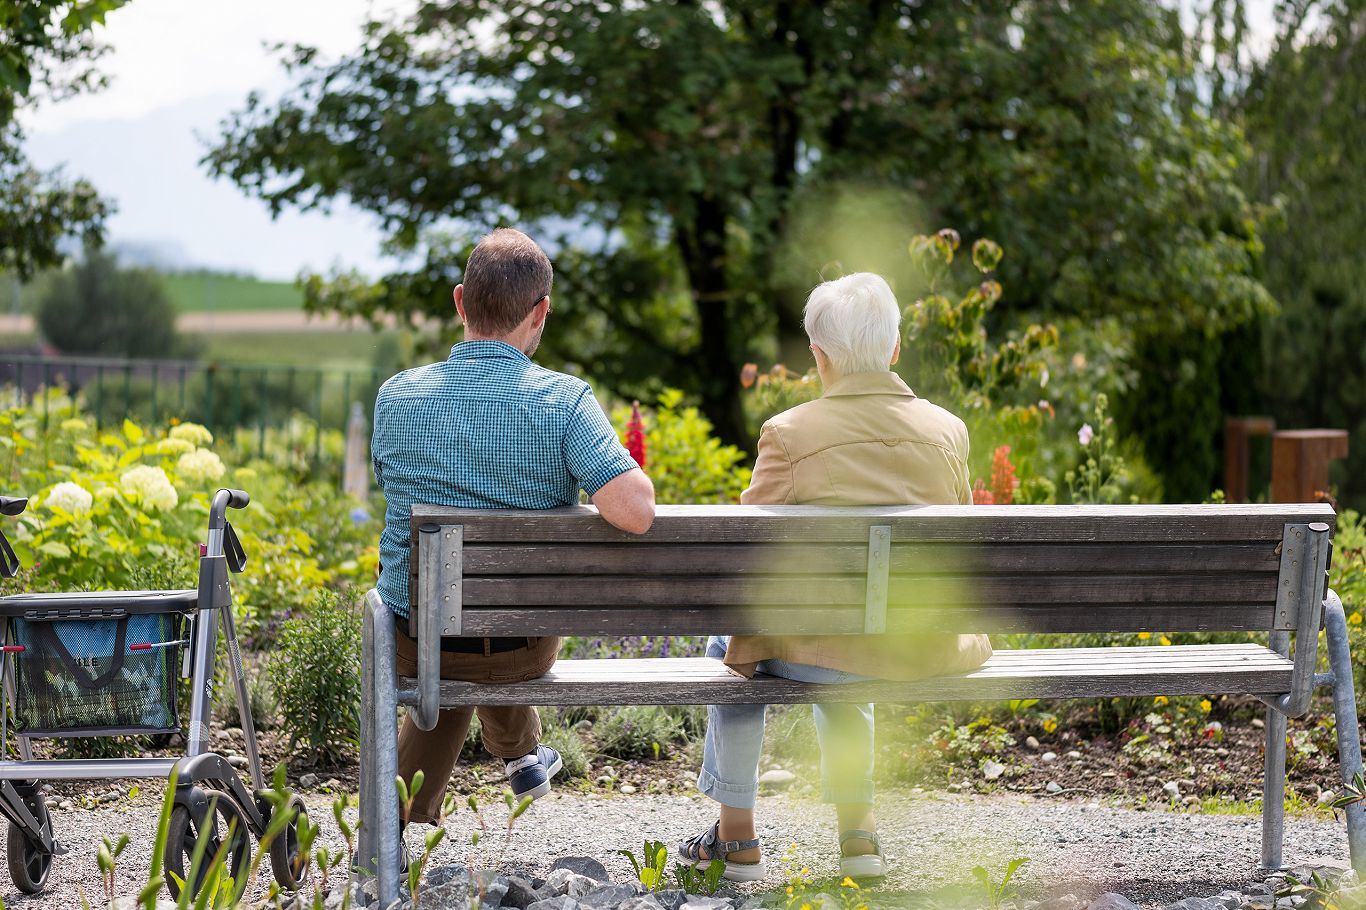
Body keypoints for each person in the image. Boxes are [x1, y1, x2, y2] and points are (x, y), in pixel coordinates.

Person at [681, 272, 992, 881]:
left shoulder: (789, 435)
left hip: (824, 648)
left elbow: (751, 557)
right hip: (917, 647)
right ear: (896, 349)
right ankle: (860, 837)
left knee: (738, 649)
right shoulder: (948, 432)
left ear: (818, 356)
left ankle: (736, 840)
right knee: (859, 636)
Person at [372, 227, 655, 840]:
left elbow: (389, 490)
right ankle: (524, 754)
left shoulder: (398, 398)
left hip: (414, 638)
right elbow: (636, 512)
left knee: (448, 626)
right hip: (521, 647)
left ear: (459, 302)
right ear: (541, 312)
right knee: (483, 628)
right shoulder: (565, 401)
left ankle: (397, 821)